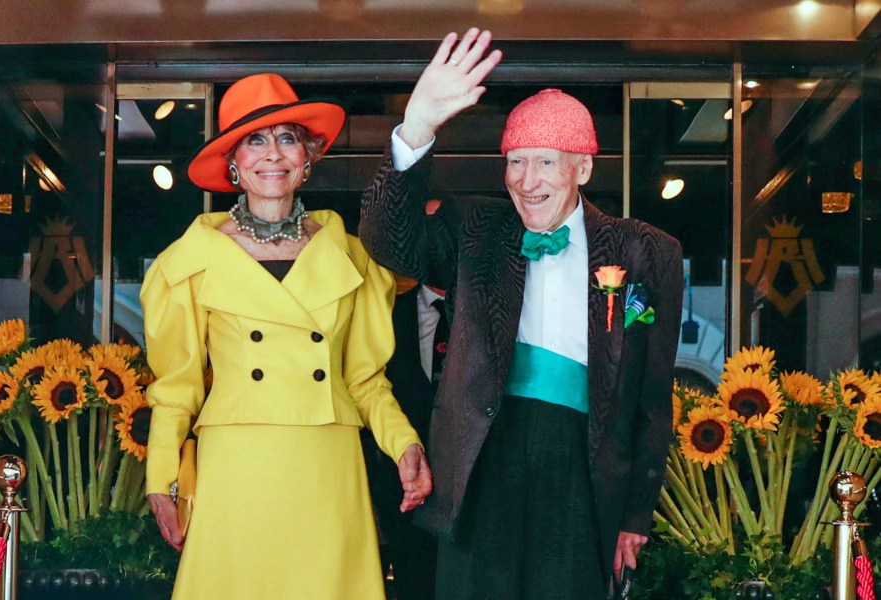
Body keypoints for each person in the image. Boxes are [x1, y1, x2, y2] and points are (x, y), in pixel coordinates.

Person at [359, 29, 684, 600]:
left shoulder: (645, 252)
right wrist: (417, 128)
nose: (526, 182)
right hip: (484, 456)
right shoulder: (476, 229)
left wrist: (635, 513)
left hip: (583, 468)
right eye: (515, 163)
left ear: (582, 169)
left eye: (544, 163)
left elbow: (651, 400)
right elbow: (390, 242)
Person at [141, 72, 432, 600]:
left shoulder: (354, 255)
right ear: (233, 161)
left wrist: (403, 442)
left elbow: (365, 380)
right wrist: (162, 478)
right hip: (238, 463)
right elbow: (176, 386)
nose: (272, 154)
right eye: (255, 139)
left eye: (287, 137)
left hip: (325, 462)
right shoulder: (186, 263)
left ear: (308, 155)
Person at [363, 201, 446, 600]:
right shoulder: (383, 307)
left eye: (441, 230)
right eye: (421, 231)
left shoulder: (490, 310)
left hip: (477, 498)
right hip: (401, 493)